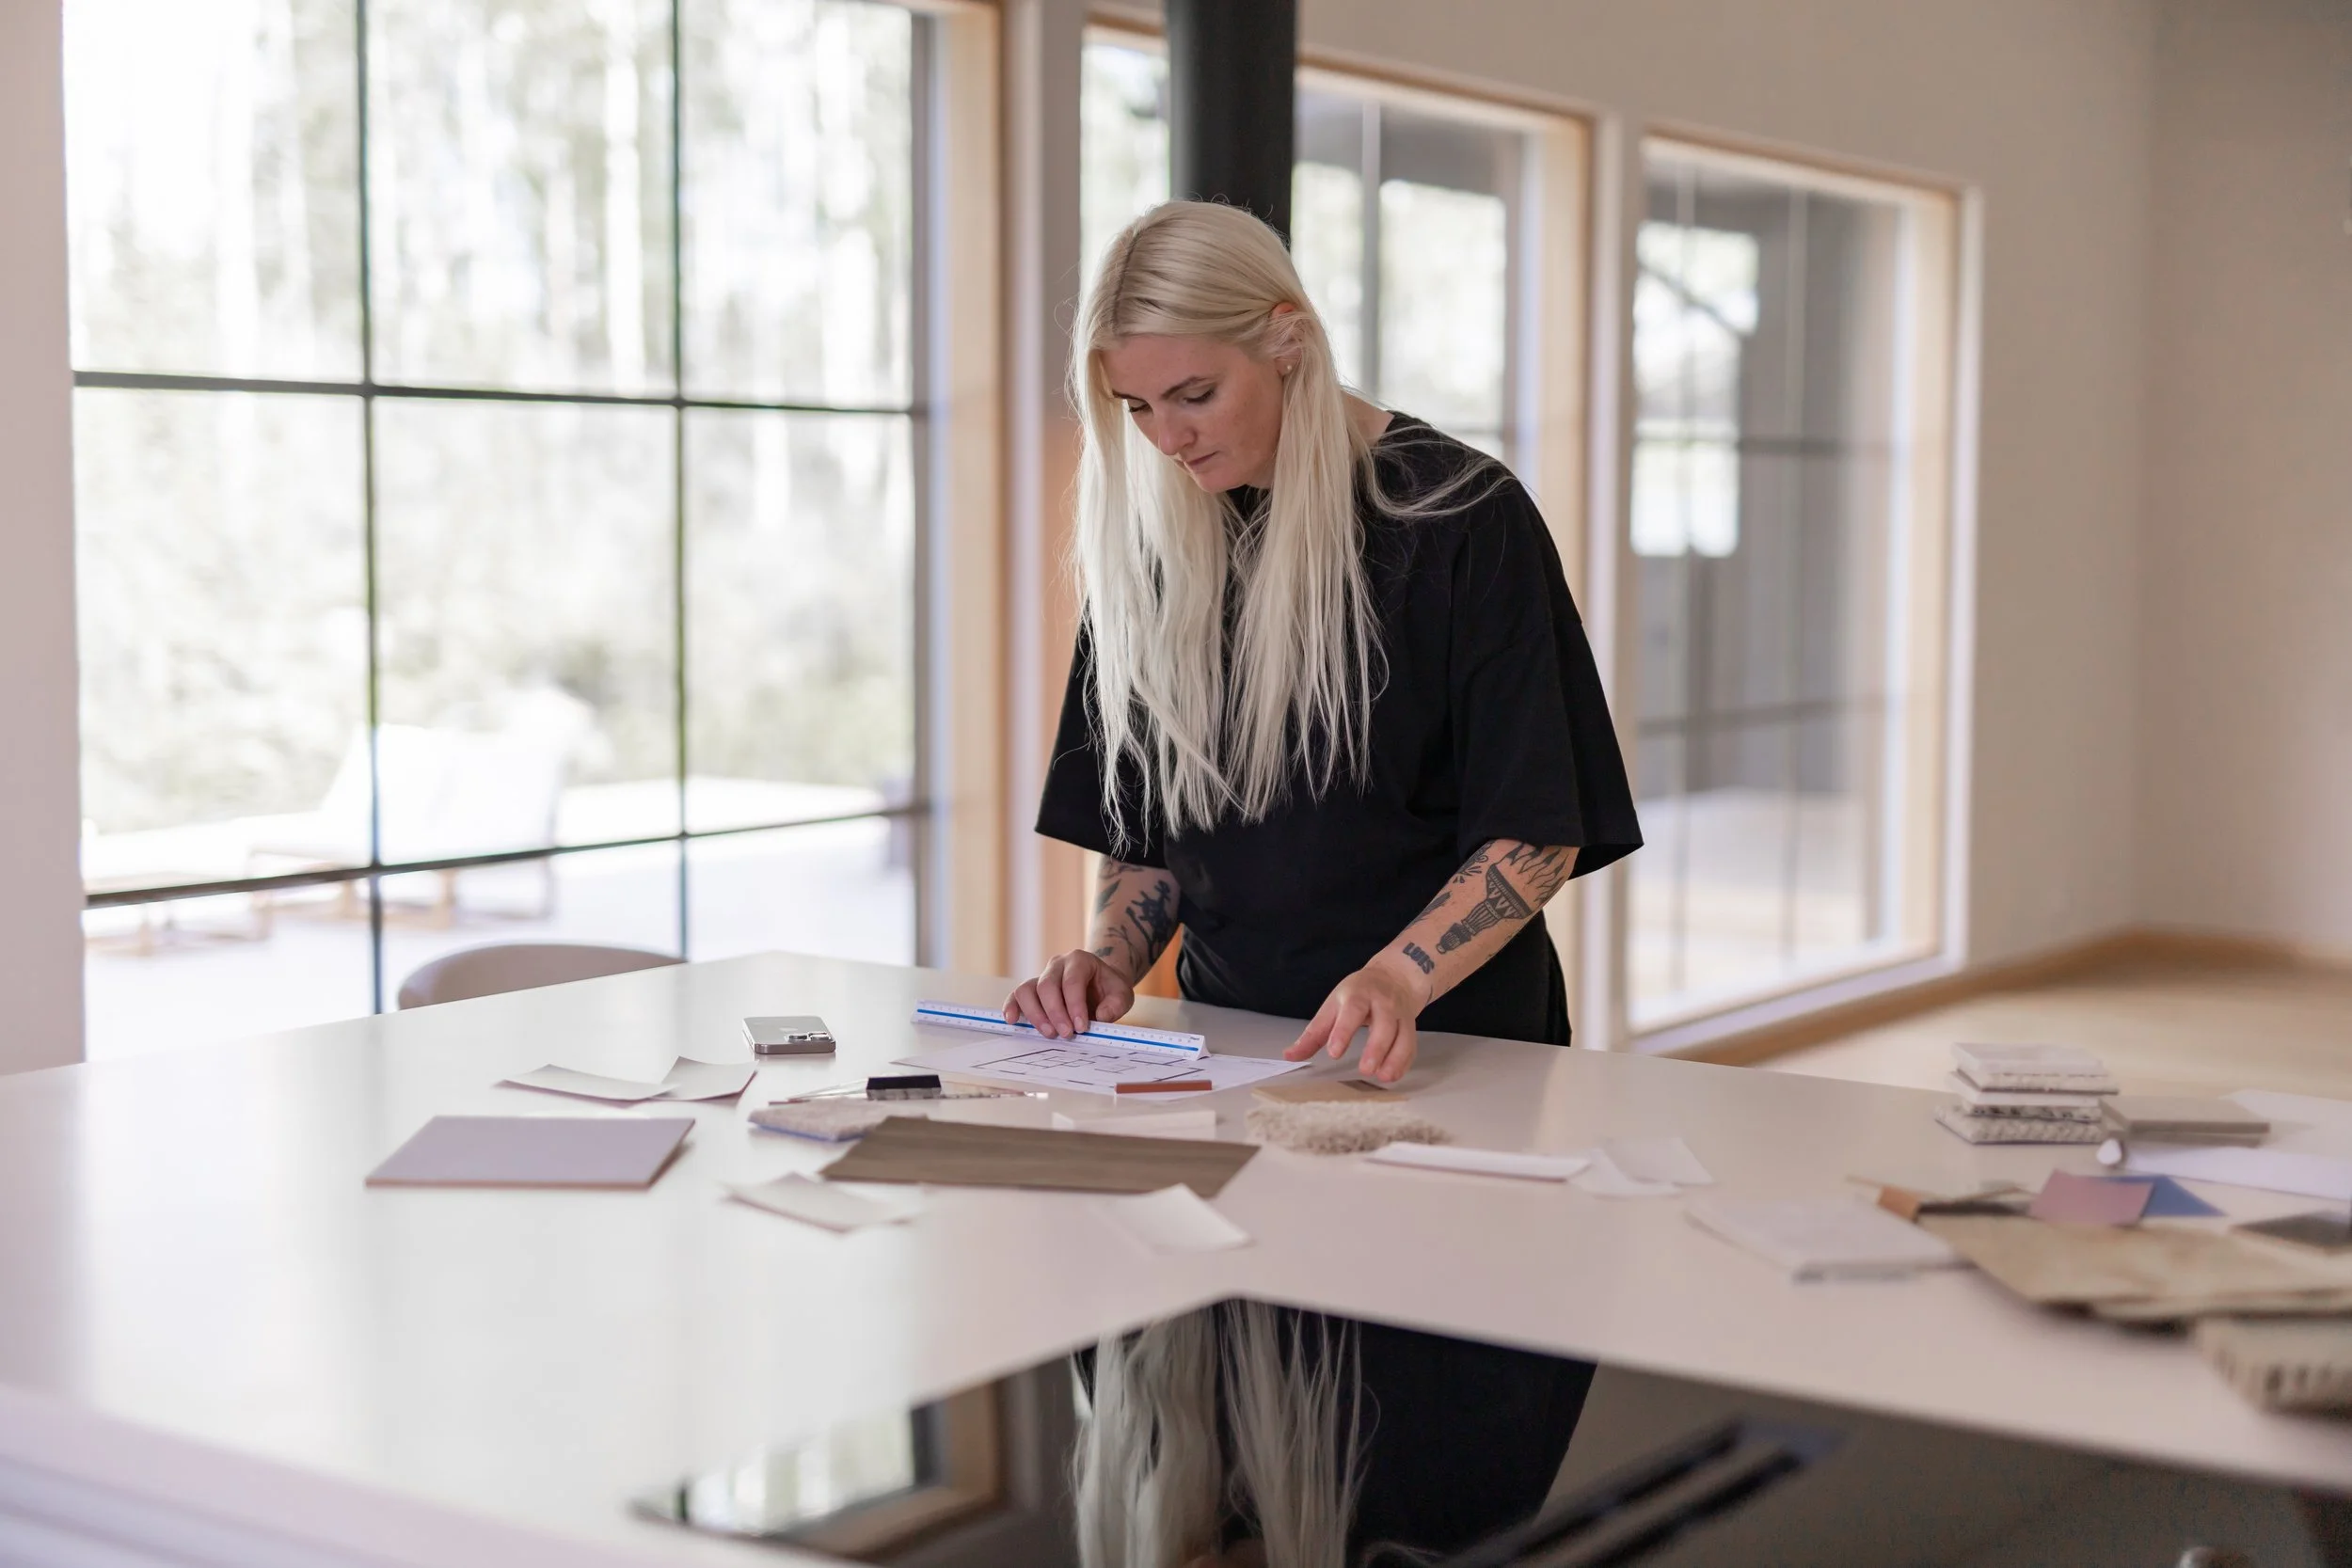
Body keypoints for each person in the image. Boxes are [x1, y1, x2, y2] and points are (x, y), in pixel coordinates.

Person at [1008, 200, 1639, 1083]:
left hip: (1453, 1048)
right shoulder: (1155, 544)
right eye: (1137, 406)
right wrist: (1107, 962)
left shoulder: (1462, 519)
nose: (1166, 436)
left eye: (1195, 395)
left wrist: (1395, 978)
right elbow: (1146, 828)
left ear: (1287, 339)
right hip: (1225, 1045)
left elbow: (1534, 836)